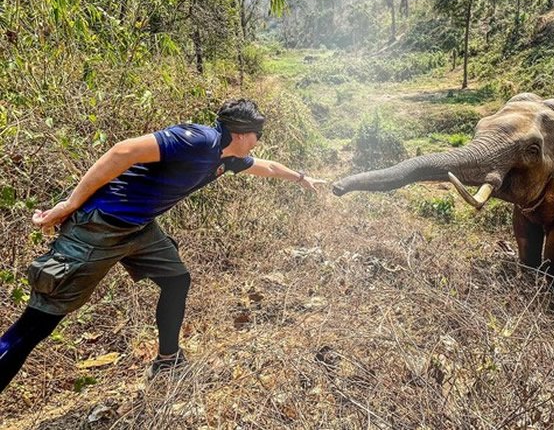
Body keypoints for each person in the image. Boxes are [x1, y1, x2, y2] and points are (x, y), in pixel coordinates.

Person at [0, 98, 325, 391]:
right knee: (38, 322)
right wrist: (69, 204)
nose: (258, 143)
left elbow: (265, 166)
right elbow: (123, 151)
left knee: (176, 279)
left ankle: (168, 359)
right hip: (96, 228)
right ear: (242, 133)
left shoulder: (224, 158)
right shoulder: (198, 139)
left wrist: (301, 177)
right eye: (258, 136)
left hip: (139, 229)